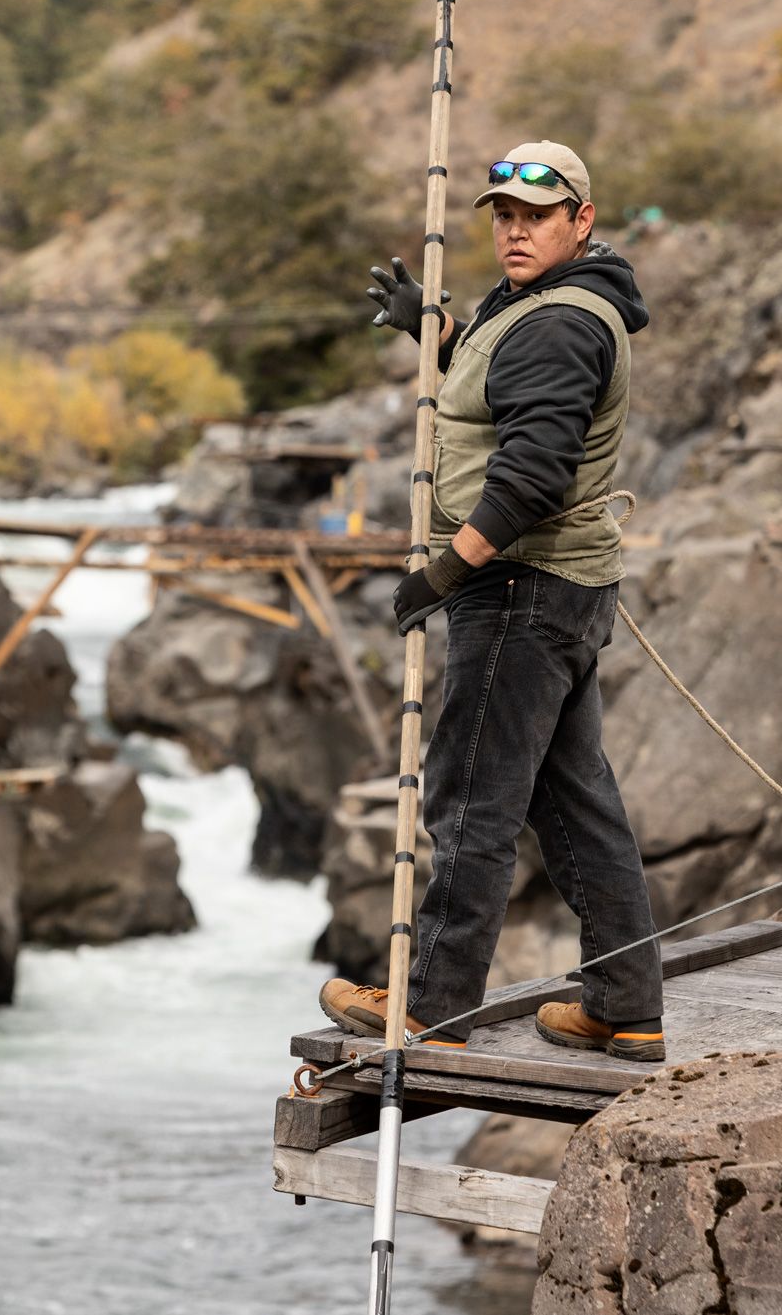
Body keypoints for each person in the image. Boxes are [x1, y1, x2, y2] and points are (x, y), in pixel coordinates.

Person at [318, 140, 666, 1063]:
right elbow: (503, 398)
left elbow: (533, 476)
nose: (515, 230)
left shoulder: (558, 322)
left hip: (517, 587)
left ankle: (430, 1006)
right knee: (574, 801)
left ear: (580, 221)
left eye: (537, 215)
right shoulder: (545, 305)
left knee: (471, 799)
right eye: (504, 215)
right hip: (561, 586)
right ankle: (626, 1006)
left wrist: (445, 573)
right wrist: (431, 335)